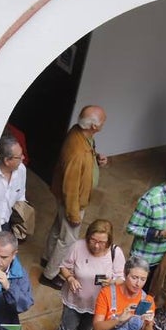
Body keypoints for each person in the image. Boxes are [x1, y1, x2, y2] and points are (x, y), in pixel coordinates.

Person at [44, 219, 125, 330]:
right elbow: (64, 267)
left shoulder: (116, 253)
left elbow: (121, 277)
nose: (96, 245)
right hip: (74, 299)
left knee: (86, 329)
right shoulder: (77, 247)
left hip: (98, 303)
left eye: (101, 242)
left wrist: (113, 282)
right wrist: (70, 278)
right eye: (93, 240)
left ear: (109, 241)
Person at [42, 105, 108, 281]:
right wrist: (74, 213)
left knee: (58, 228)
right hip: (74, 201)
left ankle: (47, 258)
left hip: (67, 197)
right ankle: (50, 274)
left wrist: (96, 159)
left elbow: (86, 158)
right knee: (68, 239)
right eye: (103, 121)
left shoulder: (81, 133)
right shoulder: (78, 151)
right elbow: (70, 186)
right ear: (94, 126)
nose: (104, 124)